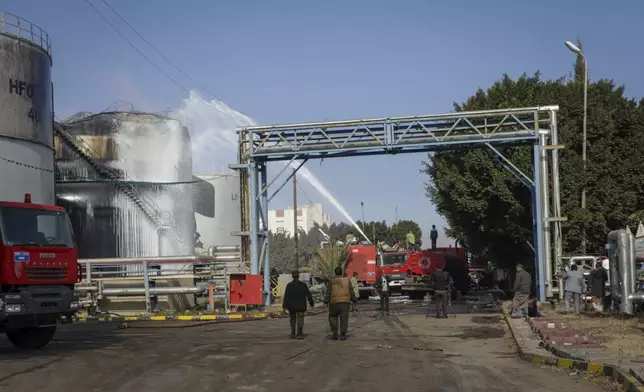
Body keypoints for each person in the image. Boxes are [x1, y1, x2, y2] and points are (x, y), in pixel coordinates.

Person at [324, 267, 357, 340]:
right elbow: (351, 291)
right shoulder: (347, 280)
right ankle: (342, 335)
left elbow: (328, 292)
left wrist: (326, 301)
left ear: (335, 272)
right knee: (344, 318)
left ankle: (335, 333)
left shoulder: (331, 281)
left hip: (334, 302)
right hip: (345, 303)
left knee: (333, 317)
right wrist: (354, 300)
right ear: (341, 272)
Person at [282, 270, 314, 339]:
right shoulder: (303, 285)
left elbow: (286, 296)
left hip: (291, 306)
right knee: (300, 319)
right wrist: (312, 303)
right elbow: (308, 295)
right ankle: (299, 333)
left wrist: (284, 306)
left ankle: (293, 333)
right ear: (298, 276)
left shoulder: (289, 285)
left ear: (292, 276)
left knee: (292, 319)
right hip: (301, 306)